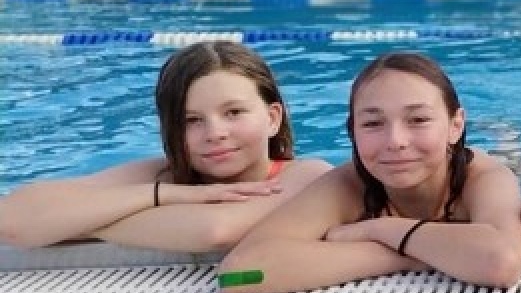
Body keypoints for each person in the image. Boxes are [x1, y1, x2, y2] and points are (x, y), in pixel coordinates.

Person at [218, 52, 521, 293]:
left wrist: (382, 229)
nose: (395, 141)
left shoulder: (483, 178)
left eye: (418, 119)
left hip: (494, 169)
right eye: (372, 124)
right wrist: (415, 253)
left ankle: (507, 138)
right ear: (352, 131)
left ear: (455, 125)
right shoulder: (349, 184)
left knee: (512, 164)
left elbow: (500, 262)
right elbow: (237, 274)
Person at [0, 41, 330, 252]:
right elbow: (11, 220)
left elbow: (215, 231)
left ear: (273, 118)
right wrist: (162, 194)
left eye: (233, 113)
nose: (215, 133)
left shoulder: (309, 177)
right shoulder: (160, 177)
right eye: (191, 120)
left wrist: (77, 221)